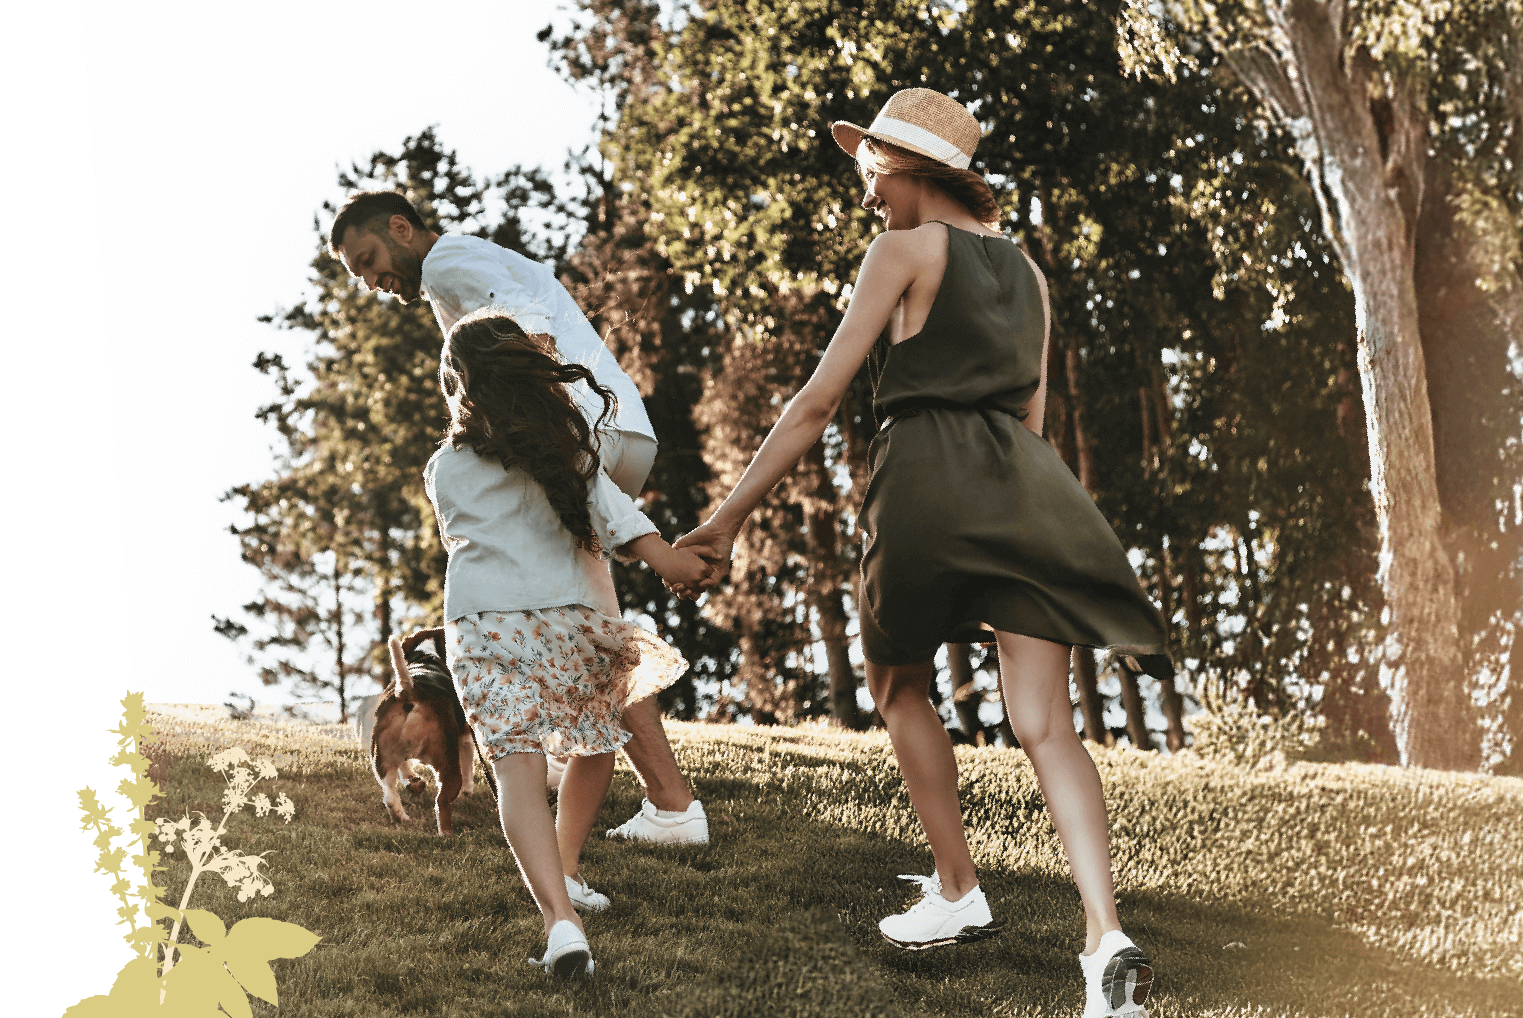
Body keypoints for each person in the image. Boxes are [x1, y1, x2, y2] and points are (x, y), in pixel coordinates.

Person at [671, 88, 1161, 1017]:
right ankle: (1104, 935)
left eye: (869, 177)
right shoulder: (1028, 274)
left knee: (897, 684)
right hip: (1025, 488)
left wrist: (727, 519)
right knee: (1045, 726)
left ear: (904, 169)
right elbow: (1033, 419)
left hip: (924, 478)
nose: (865, 198)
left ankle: (956, 888)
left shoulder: (901, 249)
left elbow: (817, 402)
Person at [329, 191, 710, 845]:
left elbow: (528, 322)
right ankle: (660, 798)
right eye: (359, 276)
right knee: (587, 621)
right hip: (603, 425)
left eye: (370, 260)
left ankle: (671, 805)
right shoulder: (458, 268)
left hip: (584, 426)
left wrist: (546, 432)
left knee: (591, 632)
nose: (374, 281)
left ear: (400, 229)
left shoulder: (445, 261)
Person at [424, 308, 713, 978]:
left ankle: (560, 919)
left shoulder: (445, 467)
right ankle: (570, 865)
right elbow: (609, 511)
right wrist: (668, 561)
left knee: (516, 771)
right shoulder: (565, 439)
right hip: (566, 618)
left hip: (480, 625)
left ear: (461, 383)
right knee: (595, 742)